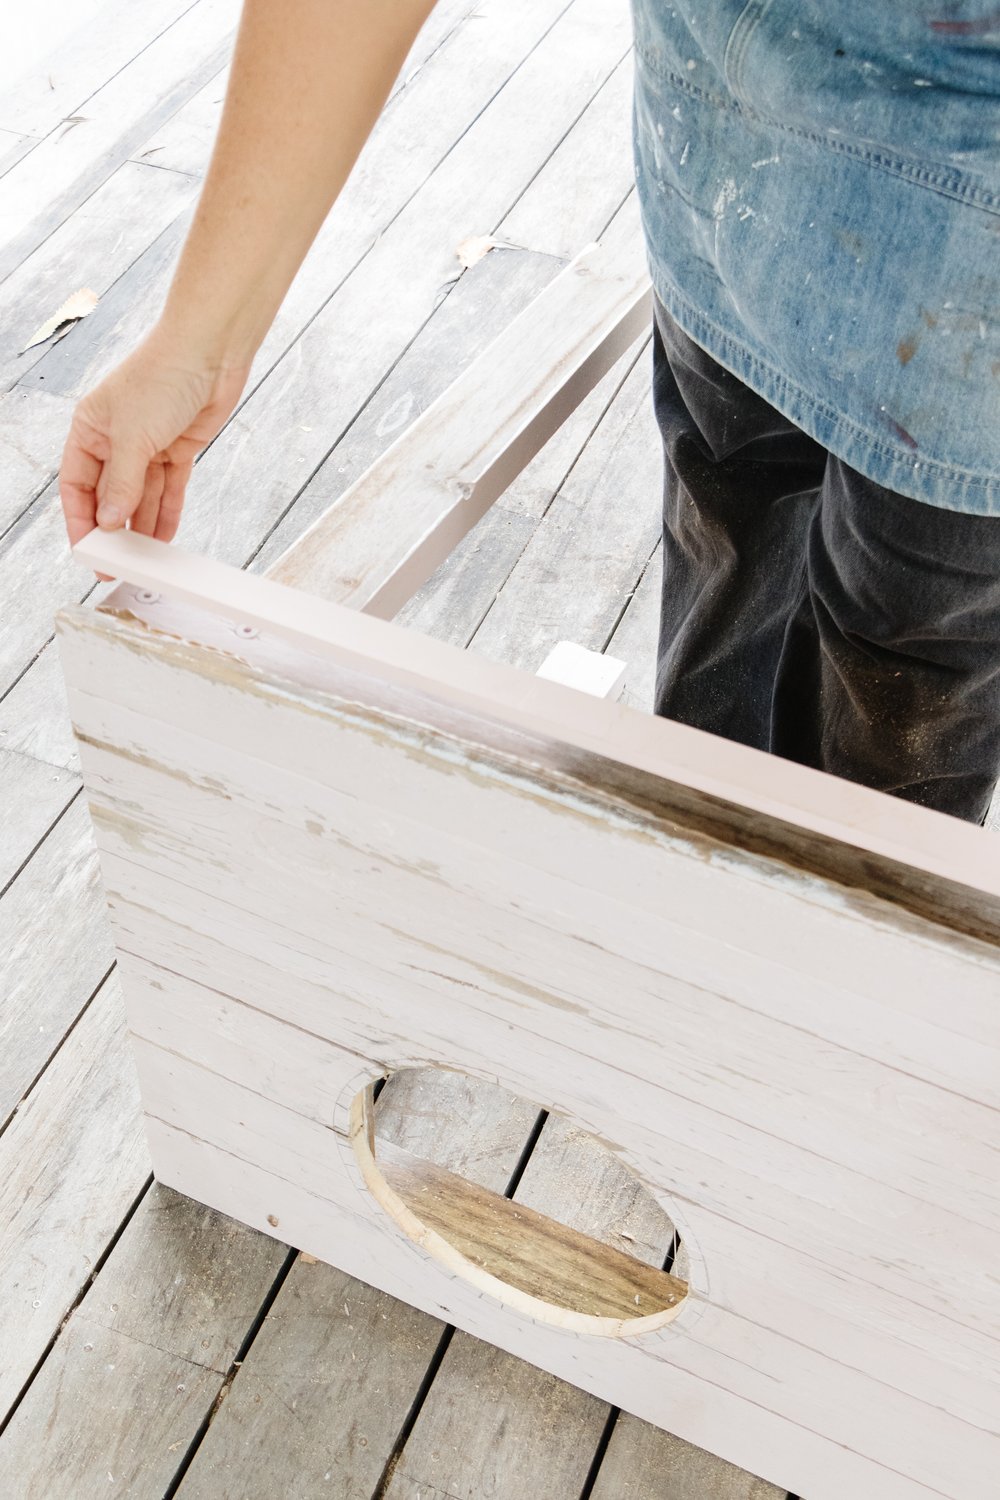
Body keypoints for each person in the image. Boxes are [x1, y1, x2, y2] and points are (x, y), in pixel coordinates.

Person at [59, 2, 1000, 824]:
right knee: (740, 569)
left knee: (889, 748)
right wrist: (196, 342)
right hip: (729, 184)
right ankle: (692, 901)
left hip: (955, 300)